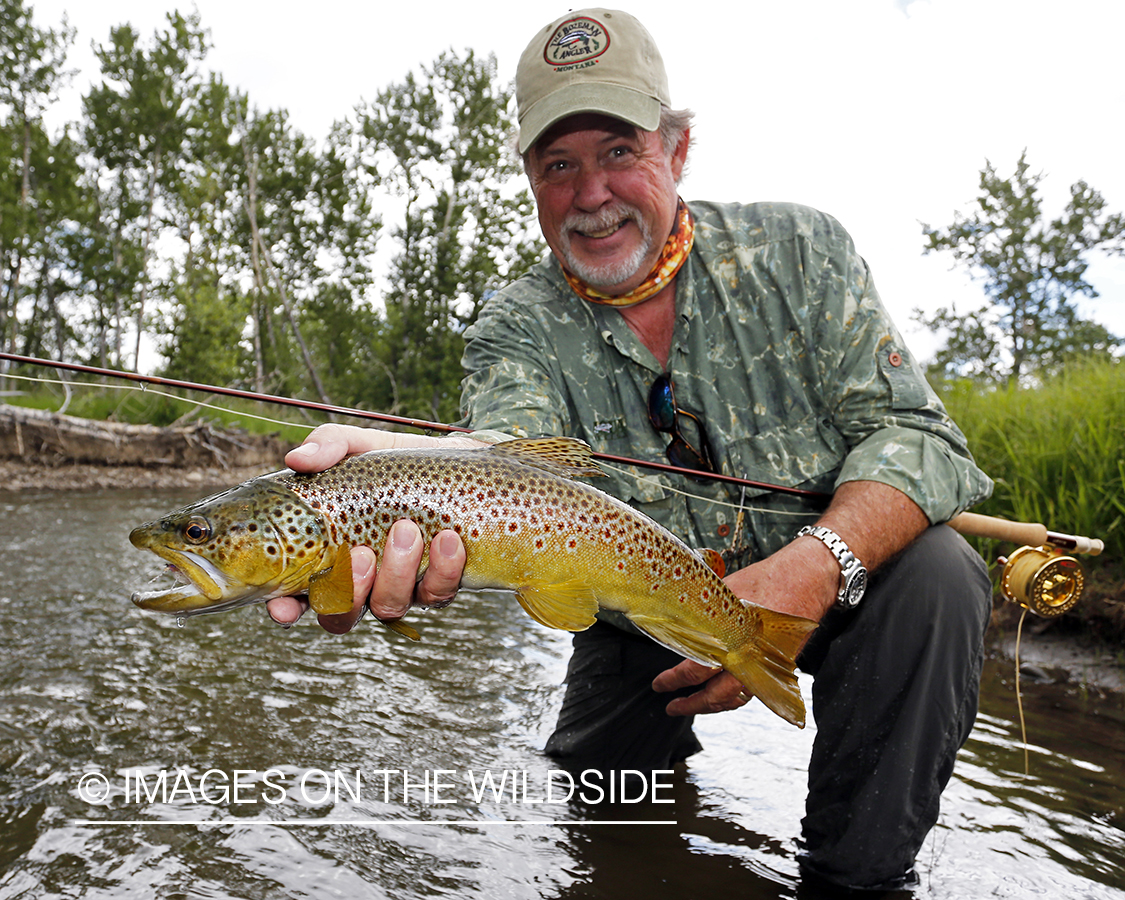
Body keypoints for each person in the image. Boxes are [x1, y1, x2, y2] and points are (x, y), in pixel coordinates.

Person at [267, 8, 994, 892]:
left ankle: (855, 879)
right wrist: (384, 464)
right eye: (558, 165)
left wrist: (813, 565)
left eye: (619, 152)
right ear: (531, 181)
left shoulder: (801, 252)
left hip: (838, 584)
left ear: (676, 151)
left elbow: (918, 437)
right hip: (631, 618)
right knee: (601, 822)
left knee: (941, 573)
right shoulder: (513, 325)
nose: (590, 193)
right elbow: (498, 456)